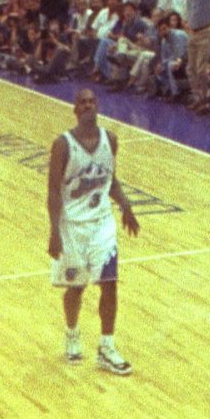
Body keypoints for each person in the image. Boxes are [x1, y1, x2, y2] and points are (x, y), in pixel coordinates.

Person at [45, 87, 141, 376]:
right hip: (72, 225)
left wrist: (126, 207)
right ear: (75, 109)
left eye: (92, 101)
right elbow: (52, 190)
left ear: (97, 106)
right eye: (82, 102)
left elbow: (111, 180)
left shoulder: (110, 140)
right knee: (76, 288)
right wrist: (54, 231)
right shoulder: (62, 145)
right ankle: (72, 333)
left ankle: (106, 347)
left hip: (102, 224)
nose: (88, 106)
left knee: (109, 282)